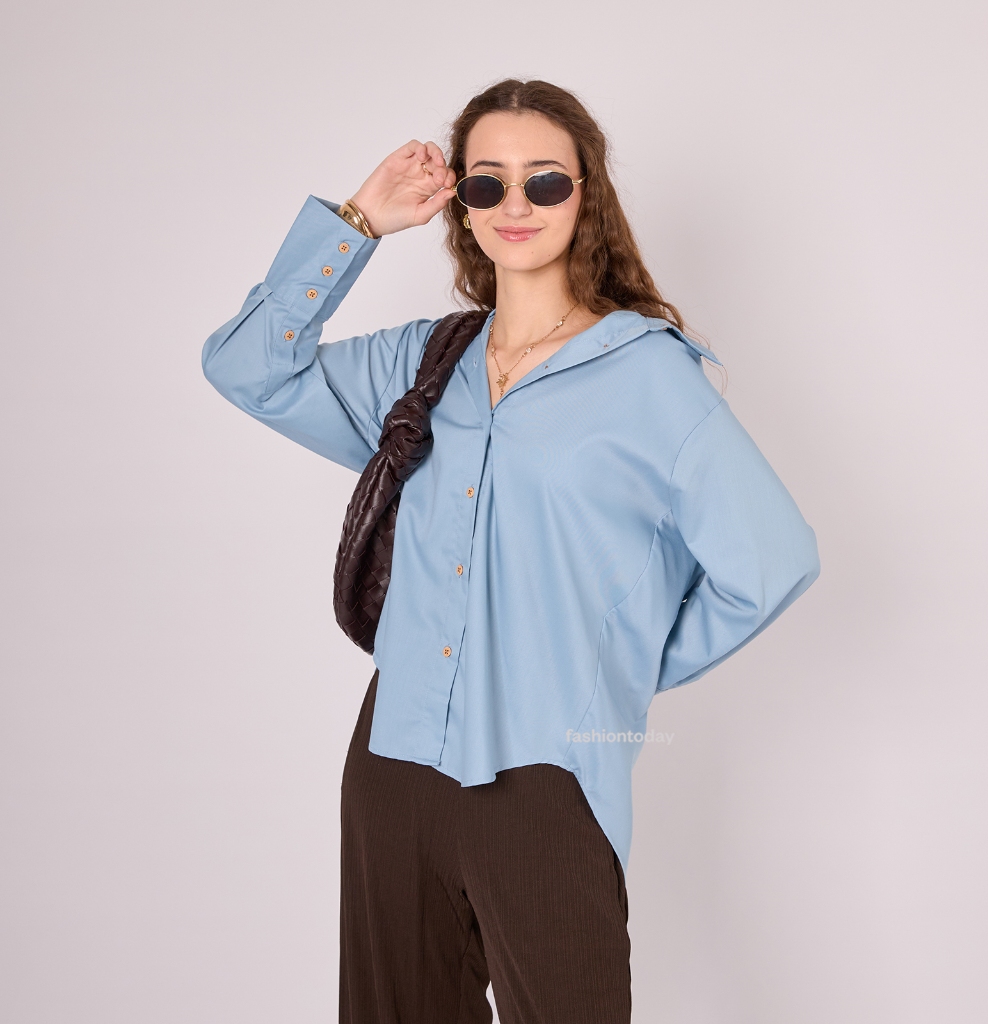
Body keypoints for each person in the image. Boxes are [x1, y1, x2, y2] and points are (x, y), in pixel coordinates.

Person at [202, 78, 820, 1024]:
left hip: (544, 779)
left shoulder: (651, 375)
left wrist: (610, 672)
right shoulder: (422, 363)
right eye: (487, 183)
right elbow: (246, 367)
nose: (516, 204)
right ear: (461, 204)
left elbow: (771, 561)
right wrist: (358, 221)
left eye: (546, 181)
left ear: (586, 195)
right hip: (394, 765)